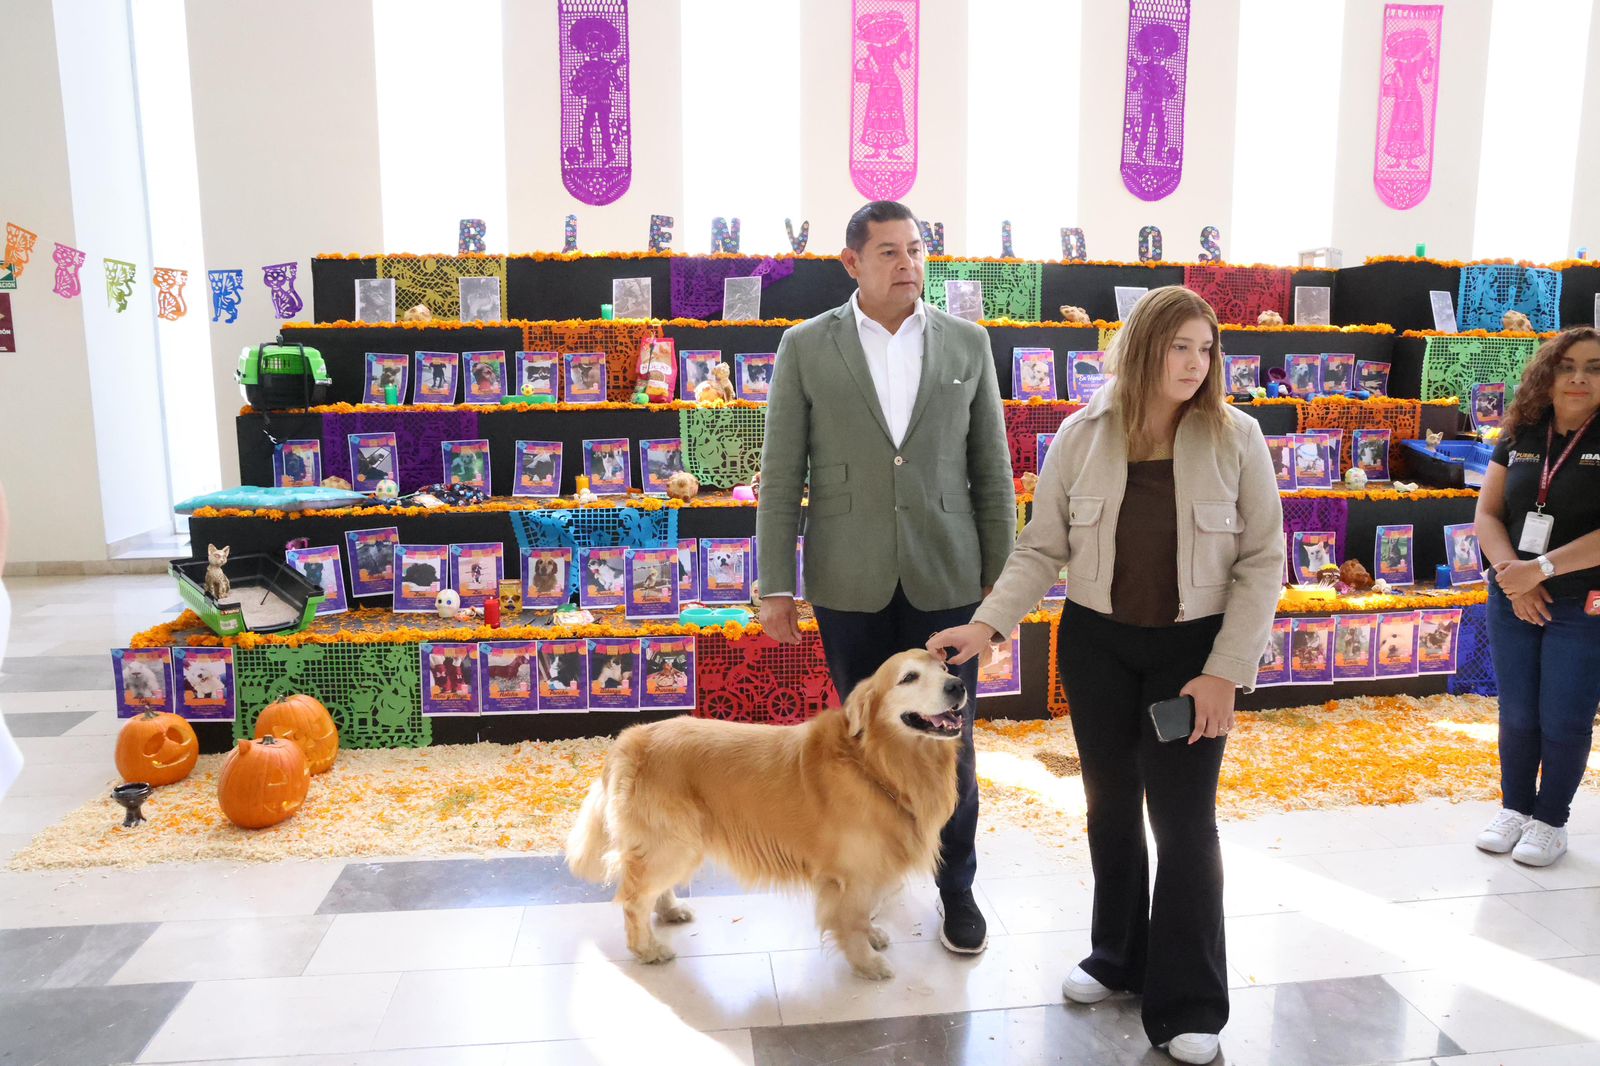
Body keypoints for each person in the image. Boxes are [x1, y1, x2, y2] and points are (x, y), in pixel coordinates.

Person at [928, 286, 1284, 1064]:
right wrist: (988, 624)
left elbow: (1263, 564)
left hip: (1193, 657)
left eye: (1206, 347)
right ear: (1143, 346)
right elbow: (1039, 548)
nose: (1195, 363)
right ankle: (1116, 957)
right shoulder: (1081, 435)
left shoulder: (1237, 437)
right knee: (1110, 808)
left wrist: (1226, 673)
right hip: (1096, 645)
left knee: (1186, 823)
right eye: (1179, 346)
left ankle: (1190, 1001)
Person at [756, 200, 1016, 956]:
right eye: (890, 253)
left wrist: (1002, 602)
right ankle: (867, 876)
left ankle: (957, 887)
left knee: (950, 743)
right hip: (849, 579)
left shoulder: (968, 342)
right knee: (865, 742)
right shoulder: (806, 347)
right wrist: (778, 583)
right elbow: (781, 477)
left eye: (916, 251)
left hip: (947, 580)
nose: (908, 265)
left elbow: (992, 477)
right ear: (852, 262)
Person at [1473, 327, 1600, 867]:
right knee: (1519, 712)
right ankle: (1515, 809)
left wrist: (1540, 570)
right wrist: (1512, 576)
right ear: (1546, 376)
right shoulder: (1522, 433)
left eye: (1594, 367)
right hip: (1513, 594)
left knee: (1564, 716)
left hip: (1583, 603)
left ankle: (1551, 821)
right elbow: (1487, 514)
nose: (1578, 377)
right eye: (1567, 365)